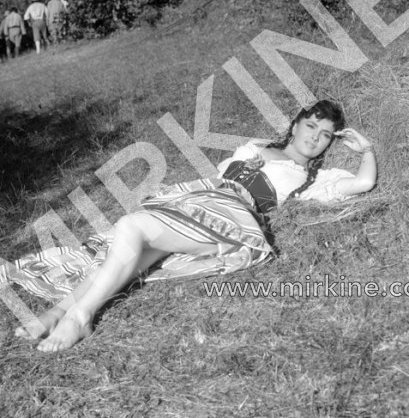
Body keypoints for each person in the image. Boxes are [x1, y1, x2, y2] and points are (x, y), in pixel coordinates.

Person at [5, 100, 377, 352]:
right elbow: (218, 177)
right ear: (295, 125)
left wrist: (366, 150)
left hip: (230, 218)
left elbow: (362, 184)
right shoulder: (254, 146)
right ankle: (56, 313)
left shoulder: (312, 178)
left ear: (330, 142)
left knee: (130, 227)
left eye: (325, 134)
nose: (314, 137)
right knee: (129, 251)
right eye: (310, 126)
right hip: (198, 201)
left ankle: (80, 317)